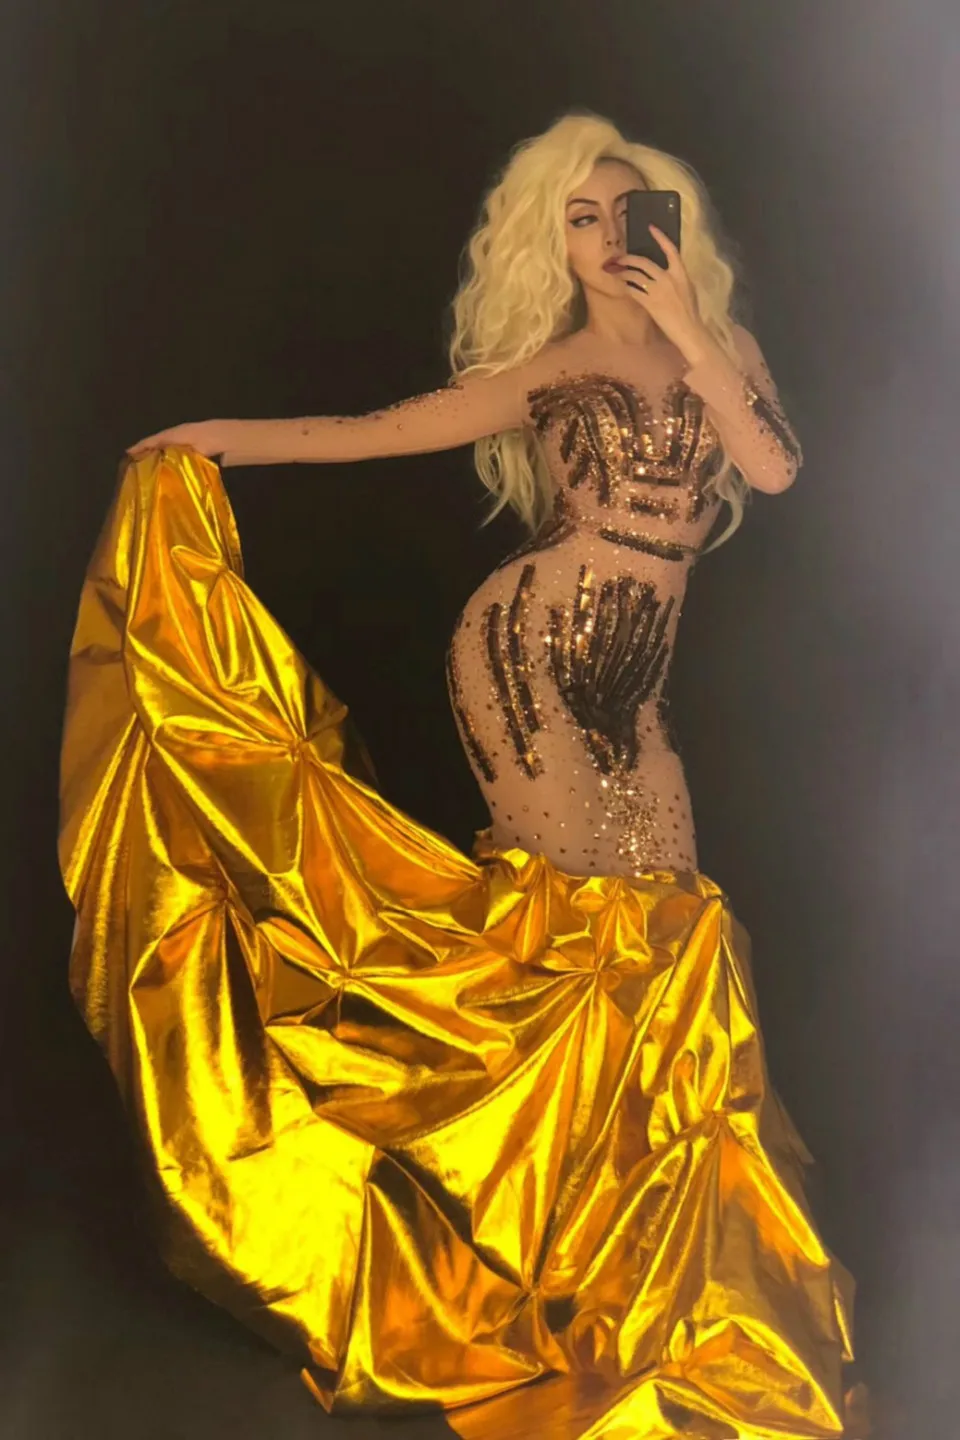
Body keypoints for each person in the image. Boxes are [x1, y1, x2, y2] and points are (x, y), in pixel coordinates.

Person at [62, 112, 862, 1438]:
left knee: (664, 950)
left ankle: (625, 1268)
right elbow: (375, 431)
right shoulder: (552, 371)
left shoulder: (722, 356)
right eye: (581, 221)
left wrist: (694, 331)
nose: (608, 240)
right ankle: (536, 1252)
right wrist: (214, 441)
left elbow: (773, 465)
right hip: (528, 658)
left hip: (636, 684)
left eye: (629, 214)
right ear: (557, 245)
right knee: (579, 945)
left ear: (671, 228)